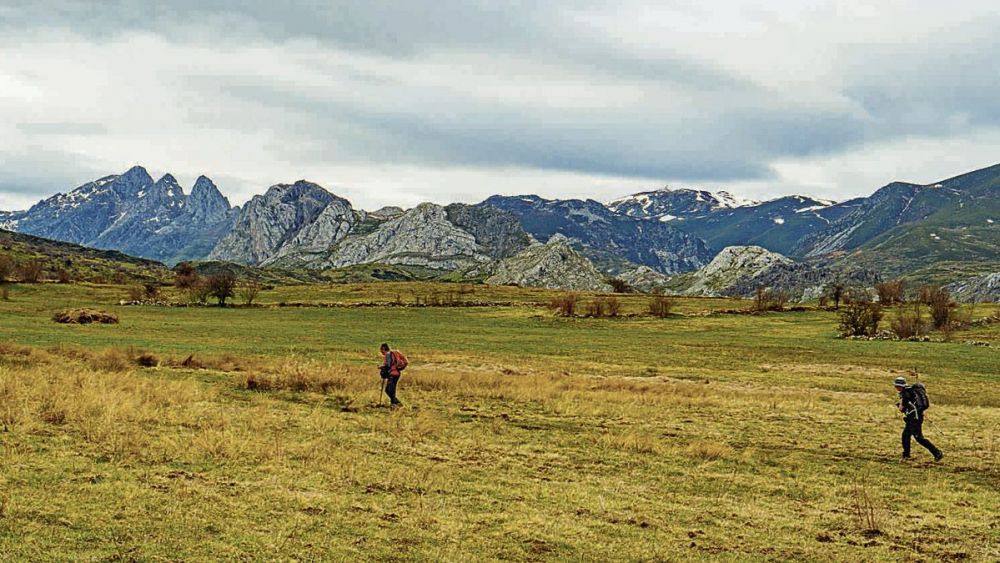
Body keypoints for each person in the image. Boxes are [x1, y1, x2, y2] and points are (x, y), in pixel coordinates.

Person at [894, 376, 943, 461]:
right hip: (914, 417)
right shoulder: (909, 391)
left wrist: (900, 406)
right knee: (905, 435)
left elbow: (903, 409)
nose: (896, 388)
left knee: (919, 438)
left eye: (896, 386)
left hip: (914, 419)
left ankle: (937, 452)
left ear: (900, 386)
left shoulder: (905, 394)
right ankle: (906, 455)